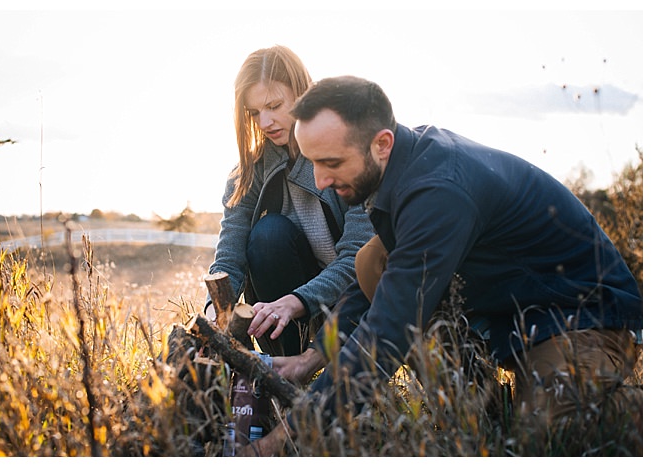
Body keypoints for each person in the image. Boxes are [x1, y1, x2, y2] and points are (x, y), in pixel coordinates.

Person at [244, 75, 643, 455]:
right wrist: (310, 358)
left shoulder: (439, 190)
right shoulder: (401, 161)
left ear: (381, 143)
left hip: (581, 321)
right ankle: (479, 404)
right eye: (313, 161)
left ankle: (629, 409)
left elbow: (387, 332)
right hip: (510, 321)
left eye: (331, 162)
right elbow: (380, 287)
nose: (320, 180)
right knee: (372, 261)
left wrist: (278, 443)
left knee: (538, 443)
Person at [205, 49, 374, 357]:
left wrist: (297, 300)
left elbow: (357, 258)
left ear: (302, 92)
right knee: (269, 233)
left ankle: (322, 360)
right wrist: (213, 314)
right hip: (278, 315)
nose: (265, 121)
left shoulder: (349, 154)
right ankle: (281, 364)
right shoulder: (248, 171)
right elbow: (229, 254)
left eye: (274, 105)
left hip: (347, 301)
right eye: (254, 112)